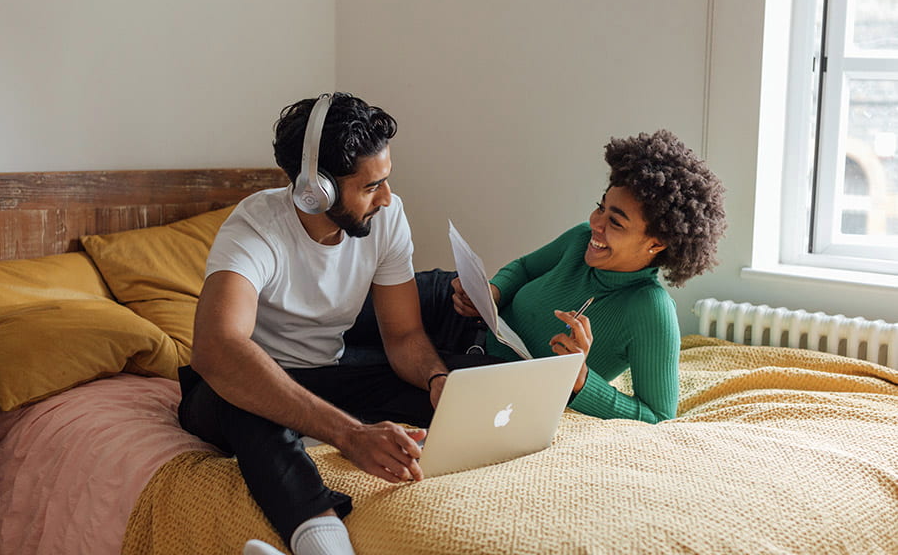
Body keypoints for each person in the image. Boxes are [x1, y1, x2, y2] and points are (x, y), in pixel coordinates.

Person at [177, 93, 494, 555]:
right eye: (371, 187)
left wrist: (437, 377)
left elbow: (403, 336)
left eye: (386, 181)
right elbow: (216, 347)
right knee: (251, 405)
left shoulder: (387, 218)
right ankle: (321, 539)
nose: (386, 198)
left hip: (331, 373)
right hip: (235, 391)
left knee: (462, 389)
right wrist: (350, 434)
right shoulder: (255, 228)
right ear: (316, 188)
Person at [449, 129, 726, 423]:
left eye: (616, 222)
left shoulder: (650, 310)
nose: (596, 223)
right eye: (600, 207)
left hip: (481, 367)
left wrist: (580, 379)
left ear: (656, 244)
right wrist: (493, 291)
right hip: (464, 319)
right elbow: (524, 268)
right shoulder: (581, 239)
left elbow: (657, 416)